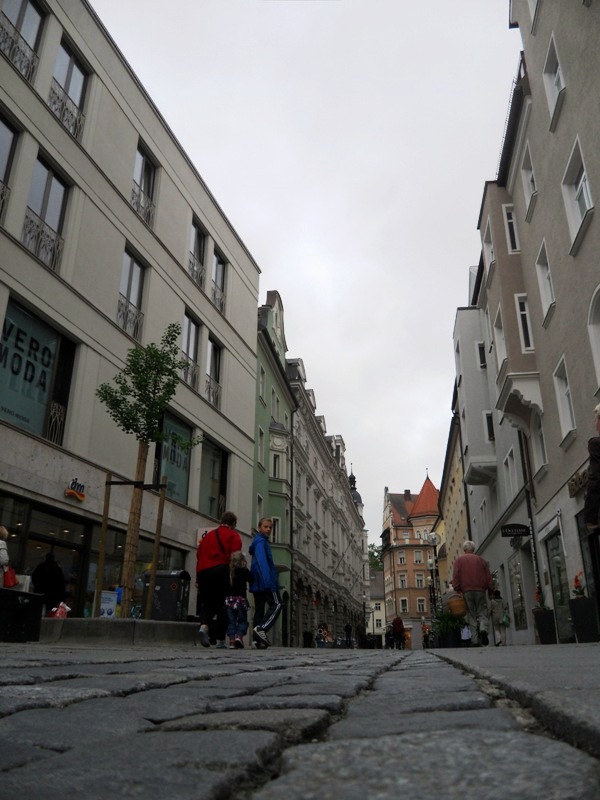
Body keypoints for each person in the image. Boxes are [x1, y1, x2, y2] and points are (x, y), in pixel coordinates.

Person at [196, 511, 242, 648]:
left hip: (203, 572)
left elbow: (199, 556)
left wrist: (197, 578)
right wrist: (234, 577)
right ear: (233, 524)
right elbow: (236, 558)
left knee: (207, 604)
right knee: (223, 604)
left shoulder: (207, 536)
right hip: (221, 570)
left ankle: (204, 626)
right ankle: (221, 639)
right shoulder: (234, 535)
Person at [452, 540, 494, 646]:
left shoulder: (459, 560)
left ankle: (474, 640)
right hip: (480, 589)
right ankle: (483, 629)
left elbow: (456, 575)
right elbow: (489, 576)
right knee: (482, 611)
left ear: (464, 549)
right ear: (474, 549)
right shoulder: (481, 560)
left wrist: (457, 589)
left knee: (471, 614)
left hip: (466, 590)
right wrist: (490, 590)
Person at [249, 517, 282, 648]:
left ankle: (256, 641)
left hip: (258, 582)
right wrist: (268, 582)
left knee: (259, 610)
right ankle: (261, 629)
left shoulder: (258, 542)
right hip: (265, 581)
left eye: (270, 527)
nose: (268, 529)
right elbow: (262, 563)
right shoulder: (261, 542)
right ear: (259, 527)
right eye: (265, 526)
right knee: (278, 604)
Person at [225, 551, 251, 649]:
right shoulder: (244, 570)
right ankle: (239, 636)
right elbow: (251, 579)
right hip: (240, 600)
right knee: (242, 620)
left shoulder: (229, 571)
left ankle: (231, 641)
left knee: (231, 621)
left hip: (229, 600)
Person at [583, 403, 600, 531]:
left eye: (597, 419)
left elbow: (596, 478)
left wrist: (590, 517)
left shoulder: (596, 444)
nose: (596, 424)